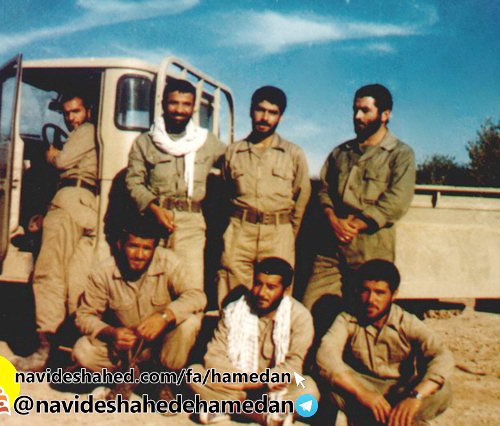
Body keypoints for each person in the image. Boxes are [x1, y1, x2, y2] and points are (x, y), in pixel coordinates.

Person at [302, 84, 416, 321]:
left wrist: (356, 225)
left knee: (364, 316)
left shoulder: (399, 154)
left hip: (370, 249)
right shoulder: (341, 153)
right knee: (311, 310)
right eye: (355, 110)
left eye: (365, 110)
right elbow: (324, 189)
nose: (357, 116)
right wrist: (332, 219)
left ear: (385, 115)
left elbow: (397, 200)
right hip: (331, 248)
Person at [73, 220, 206, 396]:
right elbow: (84, 316)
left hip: (160, 346)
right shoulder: (103, 272)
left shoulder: (169, 262)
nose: (139, 255)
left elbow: (197, 296)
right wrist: (111, 333)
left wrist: (164, 316)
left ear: (155, 248)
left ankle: (164, 380)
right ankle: (126, 377)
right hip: (125, 348)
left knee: (190, 323)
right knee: (83, 350)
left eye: (147, 248)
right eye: (133, 246)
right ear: (120, 245)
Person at [16, 92, 98, 371]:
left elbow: (62, 163)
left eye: (76, 111)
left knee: (49, 274)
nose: (71, 118)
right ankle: (79, 351)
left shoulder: (86, 130)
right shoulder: (92, 133)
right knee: (77, 280)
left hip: (70, 200)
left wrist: (52, 156)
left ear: (88, 111)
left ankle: (44, 350)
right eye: (66, 113)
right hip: (89, 205)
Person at [316, 259, 453, 426]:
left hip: (399, 392)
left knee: (443, 391)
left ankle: (384, 420)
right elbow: (326, 355)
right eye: (365, 291)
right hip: (361, 389)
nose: (371, 299)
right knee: (328, 384)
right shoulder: (347, 319)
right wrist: (362, 393)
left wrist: (416, 396)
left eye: (379, 293)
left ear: (393, 295)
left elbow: (441, 355)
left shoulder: (407, 322)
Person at [189, 258, 319, 426]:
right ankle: (262, 415)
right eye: (258, 284)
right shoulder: (234, 310)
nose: (262, 293)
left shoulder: (300, 317)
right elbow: (214, 357)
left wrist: (258, 384)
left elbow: (293, 367)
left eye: (271, 287)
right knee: (193, 374)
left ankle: (228, 408)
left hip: (271, 390)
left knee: (310, 392)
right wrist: (248, 384)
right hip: (237, 384)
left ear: (286, 290)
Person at [126, 78, 226, 293]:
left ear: (194, 107)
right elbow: (133, 182)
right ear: (163, 104)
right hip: (153, 223)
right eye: (174, 103)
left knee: (190, 289)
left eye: (186, 104)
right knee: (151, 290)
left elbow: (236, 166)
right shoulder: (145, 142)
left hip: (191, 226)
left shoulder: (207, 142)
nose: (180, 110)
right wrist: (153, 208)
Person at [218, 86, 311, 305]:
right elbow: (223, 196)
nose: (265, 118)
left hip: (278, 235)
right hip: (239, 233)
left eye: (272, 113)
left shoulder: (293, 154)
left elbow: (301, 199)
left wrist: (286, 233)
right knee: (233, 298)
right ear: (251, 111)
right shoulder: (233, 152)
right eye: (260, 110)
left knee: (276, 300)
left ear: (280, 117)